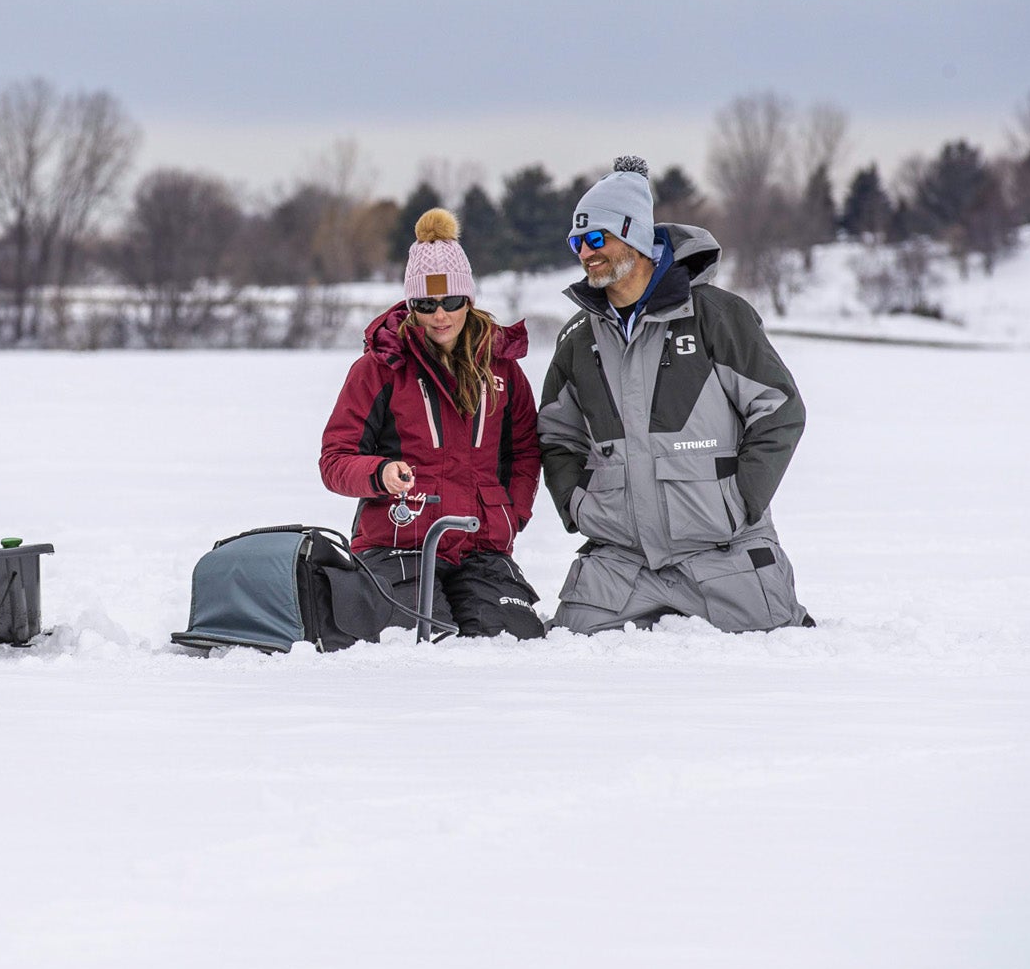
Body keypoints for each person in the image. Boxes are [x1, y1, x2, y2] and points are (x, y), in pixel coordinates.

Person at [538, 156, 813, 634]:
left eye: (596, 238)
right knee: (564, 650)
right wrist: (580, 504)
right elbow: (557, 435)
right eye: (577, 242)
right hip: (620, 565)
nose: (585, 252)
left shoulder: (717, 315)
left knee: (782, 644)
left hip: (722, 557)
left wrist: (738, 502)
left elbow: (779, 411)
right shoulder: (578, 338)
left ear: (635, 236)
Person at [319, 208, 546, 639]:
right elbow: (335, 460)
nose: (440, 315)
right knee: (420, 641)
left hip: (480, 546)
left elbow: (525, 452)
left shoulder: (504, 371)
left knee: (512, 640)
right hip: (398, 542)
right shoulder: (378, 369)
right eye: (426, 304)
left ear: (469, 300)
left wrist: (511, 514)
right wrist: (379, 473)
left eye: (451, 302)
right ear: (411, 305)